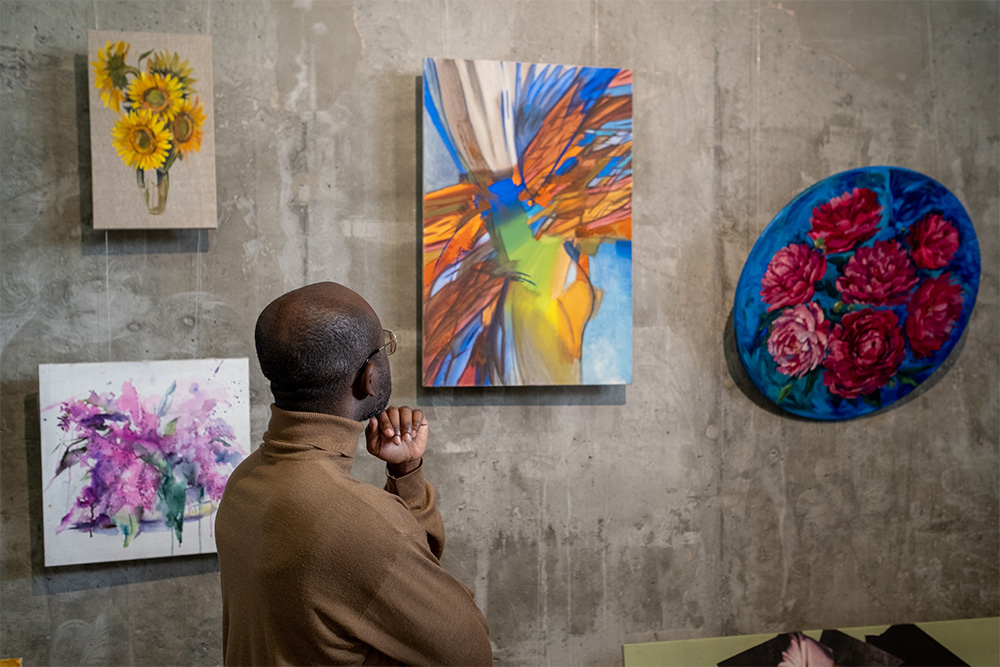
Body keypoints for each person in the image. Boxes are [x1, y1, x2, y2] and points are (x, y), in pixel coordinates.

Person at [216, 282, 492, 666]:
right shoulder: (360, 522)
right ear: (370, 377)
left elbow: (401, 575)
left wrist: (406, 471)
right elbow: (469, 651)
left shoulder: (244, 481)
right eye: (385, 345)